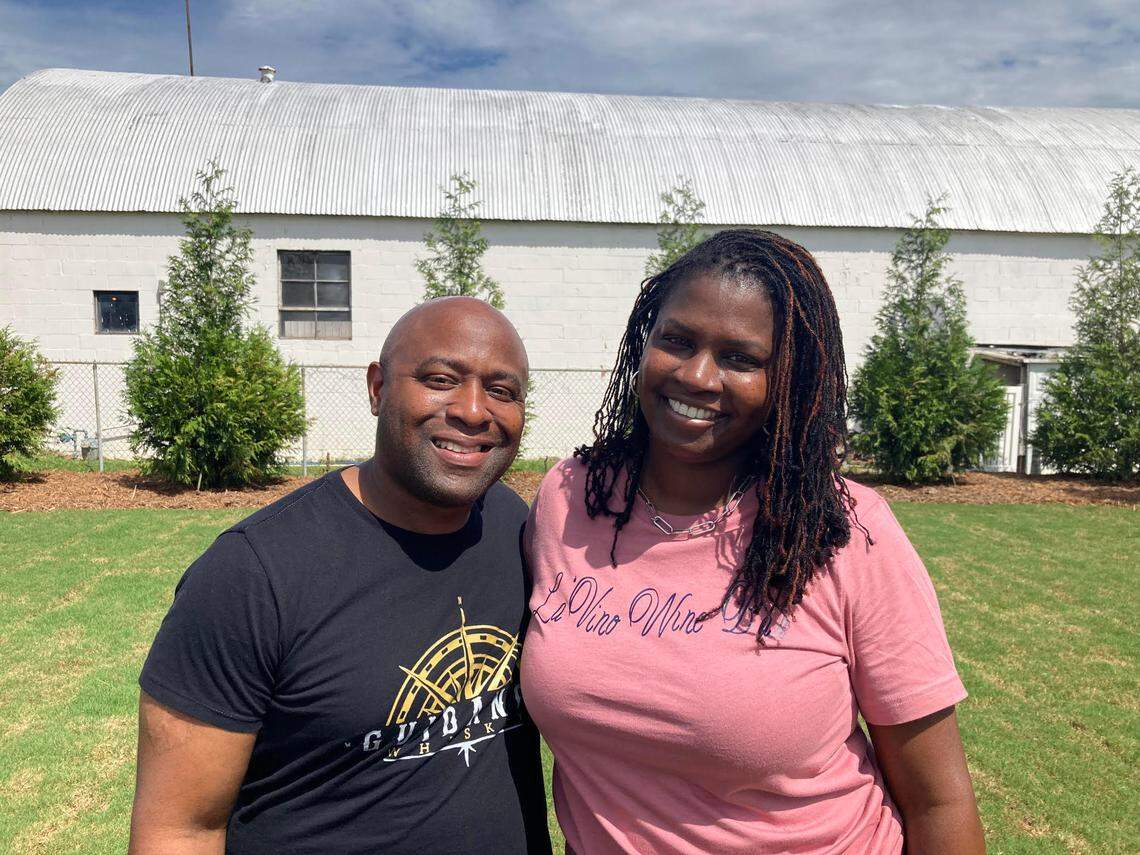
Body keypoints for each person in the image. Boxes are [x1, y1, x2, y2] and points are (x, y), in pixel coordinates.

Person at [521, 230, 985, 854]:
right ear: (645, 342)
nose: (697, 375)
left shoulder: (843, 530)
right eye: (677, 341)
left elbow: (940, 800)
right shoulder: (571, 498)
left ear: (788, 380)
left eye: (740, 358)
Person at [130, 297, 551, 854]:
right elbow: (178, 829)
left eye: (502, 391)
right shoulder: (253, 574)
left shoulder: (515, 527)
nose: (473, 410)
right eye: (440, 379)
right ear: (378, 388)